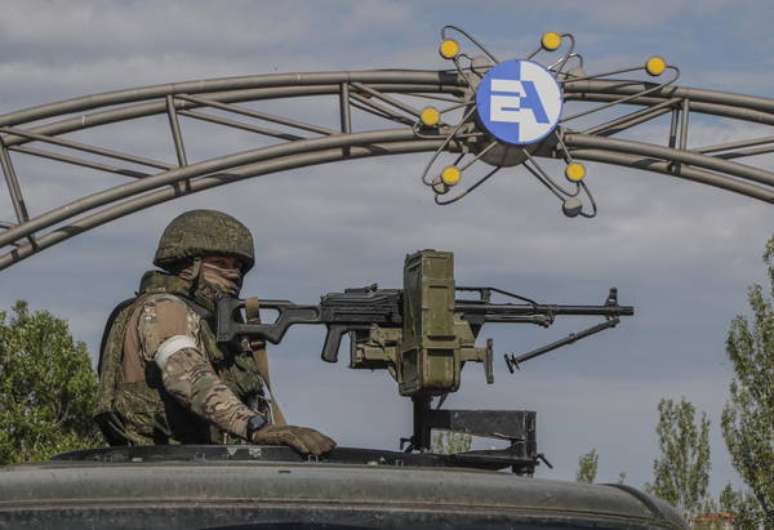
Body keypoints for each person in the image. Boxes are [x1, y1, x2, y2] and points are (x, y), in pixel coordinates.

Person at [94, 209, 335, 456]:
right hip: (162, 468)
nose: (233, 275)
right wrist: (255, 427)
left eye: (238, 267)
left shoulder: (209, 323)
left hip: (200, 467)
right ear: (189, 266)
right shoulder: (164, 308)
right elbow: (186, 375)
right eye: (220, 264)